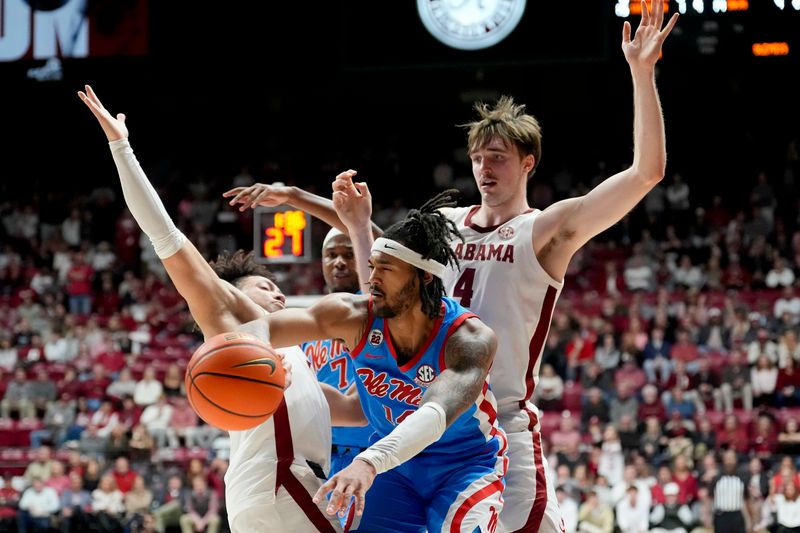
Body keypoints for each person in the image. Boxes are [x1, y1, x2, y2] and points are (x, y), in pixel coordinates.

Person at [226, 3, 678, 530]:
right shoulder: (445, 223)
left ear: (528, 162)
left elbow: (647, 172)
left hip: (493, 420)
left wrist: (642, 74)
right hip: (410, 413)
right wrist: (299, 197)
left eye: (499, 157)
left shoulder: (546, 229)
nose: (485, 168)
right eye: (478, 157)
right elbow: (384, 252)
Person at [77, 85, 365, 533]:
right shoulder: (235, 319)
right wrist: (121, 146)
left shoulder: (285, 361)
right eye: (266, 286)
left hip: (271, 488)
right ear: (234, 295)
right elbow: (163, 232)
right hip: (282, 482)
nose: (280, 295)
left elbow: (356, 410)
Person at [242, 191, 506, 532]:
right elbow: (259, 329)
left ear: (424, 276)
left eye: (386, 269)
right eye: (371, 268)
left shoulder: (469, 338)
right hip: (393, 468)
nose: (372, 279)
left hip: (462, 463)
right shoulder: (354, 316)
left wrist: (368, 461)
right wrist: (229, 342)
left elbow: (432, 416)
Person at [303, 227, 375, 479]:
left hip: (373, 451)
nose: (340, 262)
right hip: (322, 454)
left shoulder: (376, 309)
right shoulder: (308, 321)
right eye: (331, 254)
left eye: (349, 253)